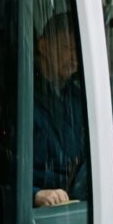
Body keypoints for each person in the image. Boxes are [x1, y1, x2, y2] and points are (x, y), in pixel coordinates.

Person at [32, 13, 87, 207]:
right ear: (43, 46)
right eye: (66, 48)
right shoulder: (22, 97)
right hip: (40, 210)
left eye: (76, 49)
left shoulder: (76, 97)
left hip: (73, 198)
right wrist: (34, 194)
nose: (74, 57)